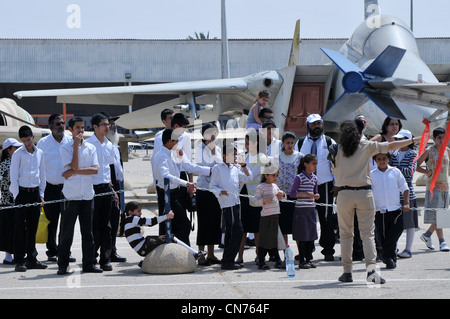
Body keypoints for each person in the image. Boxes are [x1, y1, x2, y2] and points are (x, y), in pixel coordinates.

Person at [329, 119, 420, 284]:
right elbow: (391, 146)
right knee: (367, 234)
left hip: (344, 194)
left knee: (346, 235)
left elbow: (334, 171)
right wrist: (414, 140)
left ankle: (347, 272)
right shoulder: (365, 145)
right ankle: (372, 272)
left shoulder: (336, 150)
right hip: (364, 193)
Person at [57, 117, 102, 275]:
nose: (81, 131)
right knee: (66, 233)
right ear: (71, 129)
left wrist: (74, 172)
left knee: (87, 233)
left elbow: (95, 169)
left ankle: (88, 264)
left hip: (87, 196)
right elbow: (74, 165)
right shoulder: (66, 147)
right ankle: (62, 265)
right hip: (71, 196)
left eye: (82, 127)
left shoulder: (91, 147)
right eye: (77, 128)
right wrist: (76, 146)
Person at [152, 128, 211, 246]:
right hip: (167, 194)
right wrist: (186, 183)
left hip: (176, 193)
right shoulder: (161, 156)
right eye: (176, 141)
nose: (178, 143)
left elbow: (189, 166)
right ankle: (182, 249)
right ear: (169, 141)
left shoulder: (175, 152)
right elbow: (166, 176)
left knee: (177, 224)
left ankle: (180, 249)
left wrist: (210, 170)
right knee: (183, 224)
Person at [295, 114, 338, 262]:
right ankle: (307, 250)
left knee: (326, 218)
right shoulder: (300, 143)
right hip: (306, 185)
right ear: (308, 126)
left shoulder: (329, 141)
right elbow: (296, 164)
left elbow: (336, 164)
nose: (317, 126)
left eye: (319, 123)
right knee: (307, 218)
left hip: (324, 184)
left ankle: (328, 250)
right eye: (313, 124)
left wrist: (337, 184)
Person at [210, 141, 252, 270]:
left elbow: (248, 178)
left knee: (231, 232)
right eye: (231, 155)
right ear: (223, 155)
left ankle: (227, 260)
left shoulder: (235, 168)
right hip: (227, 203)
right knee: (237, 231)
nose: (234, 157)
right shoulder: (218, 168)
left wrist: (244, 165)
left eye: (235, 155)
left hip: (236, 202)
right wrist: (219, 191)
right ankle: (228, 259)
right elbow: (212, 186)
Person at [122, 201, 205, 267]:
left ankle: (146, 262)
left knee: (163, 241)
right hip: (143, 247)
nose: (140, 213)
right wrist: (167, 216)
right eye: (138, 211)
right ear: (130, 212)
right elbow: (150, 222)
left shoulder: (129, 219)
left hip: (142, 247)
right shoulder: (133, 219)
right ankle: (195, 253)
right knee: (170, 238)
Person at [9, 125, 46, 272]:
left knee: (33, 228)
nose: (27, 143)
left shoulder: (40, 153)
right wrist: (17, 196)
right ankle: (19, 260)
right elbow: (14, 177)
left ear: (33, 137)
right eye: (23, 140)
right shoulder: (18, 154)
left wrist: (41, 194)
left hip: (35, 194)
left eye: (28, 139)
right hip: (22, 194)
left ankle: (32, 258)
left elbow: (42, 175)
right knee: (19, 229)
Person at [36, 114, 72, 262]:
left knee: (67, 222)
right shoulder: (43, 143)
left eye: (62, 123)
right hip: (50, 188)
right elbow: (37, 167)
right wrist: (40, 191)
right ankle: (52, 251)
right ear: (50, 127)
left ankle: (64, 251)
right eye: (57, 124)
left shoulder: (70, 141)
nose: (61, 126)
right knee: (51, 221)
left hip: (68, 188)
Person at [86, 113, 117, 271]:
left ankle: (105, 259)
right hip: (92, 189)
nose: (108, 127)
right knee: (93, 226)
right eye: (104, 124)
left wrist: (112, 190)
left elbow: (108, 169)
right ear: (95, 127)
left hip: (106, 188)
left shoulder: (109, 144)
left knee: (107, 226)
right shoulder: (88, 145)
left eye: (108, 124)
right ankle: (91, 258)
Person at [371, 152, 409, 269]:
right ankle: (390, 259)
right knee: (382, 237)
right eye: (379, 159)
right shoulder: (371, 175)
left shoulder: (395, 172)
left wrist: (406, 203)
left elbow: (405, 188)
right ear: (375, 161)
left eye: (384, 158)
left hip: (395, 210)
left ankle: (386, 255)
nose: (382, 161)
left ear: (388, 159)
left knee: (394, 233)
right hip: (380, 212)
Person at [416, 127, 450, 252]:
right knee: (439, 216)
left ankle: (427, 236)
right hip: (433, 187)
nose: (442, 140)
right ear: (434, 139)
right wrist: (427, 172)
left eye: (444, 137)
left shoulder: (447, 151)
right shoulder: (429, 151)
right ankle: (442, 241)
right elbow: (416, 165)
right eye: (439, 137)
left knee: (443, 215)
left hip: (445, 187)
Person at [193, 123, 222, 266]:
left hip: (216, 190)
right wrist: (213, 169)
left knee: (215, 222)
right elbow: (201, 168)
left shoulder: (218, 148)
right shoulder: (200, 149)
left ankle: (211, 254)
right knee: (204, 222)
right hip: (204, 189)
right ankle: (201, 254)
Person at [237, 130, 267, 265]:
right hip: (243, 196)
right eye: (246, 143)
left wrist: (242, 168)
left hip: (255, 198)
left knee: (257, 230)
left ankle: (259, 256)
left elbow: (251, 176)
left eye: (249, 143)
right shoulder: (247, 156)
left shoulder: (262, 157)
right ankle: (240, 257)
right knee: (242, 229)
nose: (246, 146)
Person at [101, 112, 127, 263]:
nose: (113, 127)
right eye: (109, 124)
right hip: (105, 187)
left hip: (116, 187)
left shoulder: (115, 146)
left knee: (115, 220)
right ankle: (104, 252)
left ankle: (113, 251)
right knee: (105, 222)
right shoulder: (102, 146)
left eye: (114, 124)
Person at [390, 129, 419, 258]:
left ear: (407, 141)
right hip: (394, 192)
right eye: (396, 139)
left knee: (409, 222)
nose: (397, 141)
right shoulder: (393, 153)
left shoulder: (413, 154)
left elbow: (410, 171)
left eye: (400, 139)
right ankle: (394, 248)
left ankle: (408, 249)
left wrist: (396, 170)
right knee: (395, 222)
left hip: (408, 192)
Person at [289, 154, 320, 269]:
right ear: (306, 164)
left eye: (316, 163)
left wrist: (316, 195)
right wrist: (305, 194)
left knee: (311, 235)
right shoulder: (299, 177)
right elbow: (292, 194)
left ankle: (309, 258)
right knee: (302, 235)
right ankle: (302, 260)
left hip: (311, 209)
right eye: (313, 163)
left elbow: (315, 191)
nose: (315, 166)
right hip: (301, 209)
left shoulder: (315, 178)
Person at [253, 161, 285, 270]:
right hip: (266, 217)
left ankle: (277, 260)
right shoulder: (260, 187)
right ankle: (261, 260)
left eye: (277, 175)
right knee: (264, 240)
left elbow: (283, 198)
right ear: (266, 175)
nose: (276, 178)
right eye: (273, 175)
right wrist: (265, 200)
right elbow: (255, 202)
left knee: (273, 239)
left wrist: (283, 194)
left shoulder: (275, 186)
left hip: (275, 216)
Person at [276, 131, 303, 246]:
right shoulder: (277, 158)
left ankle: (301, 255)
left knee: (297, 226)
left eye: (292, 142)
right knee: (283, 227)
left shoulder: (300, 156)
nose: (290, 145)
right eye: (287, 142)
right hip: (281, 196)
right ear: (283, 143)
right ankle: (286, 253)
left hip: (296, 195)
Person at [0, 138, 21, 264]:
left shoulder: (17, 162)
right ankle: (8, 256)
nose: (18, 150)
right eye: (15, 148)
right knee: (9, 229)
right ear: (9, 150)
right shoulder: (5, 164)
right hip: (8, 202)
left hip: (18, 200)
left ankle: (16, 254)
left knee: (17, 229)